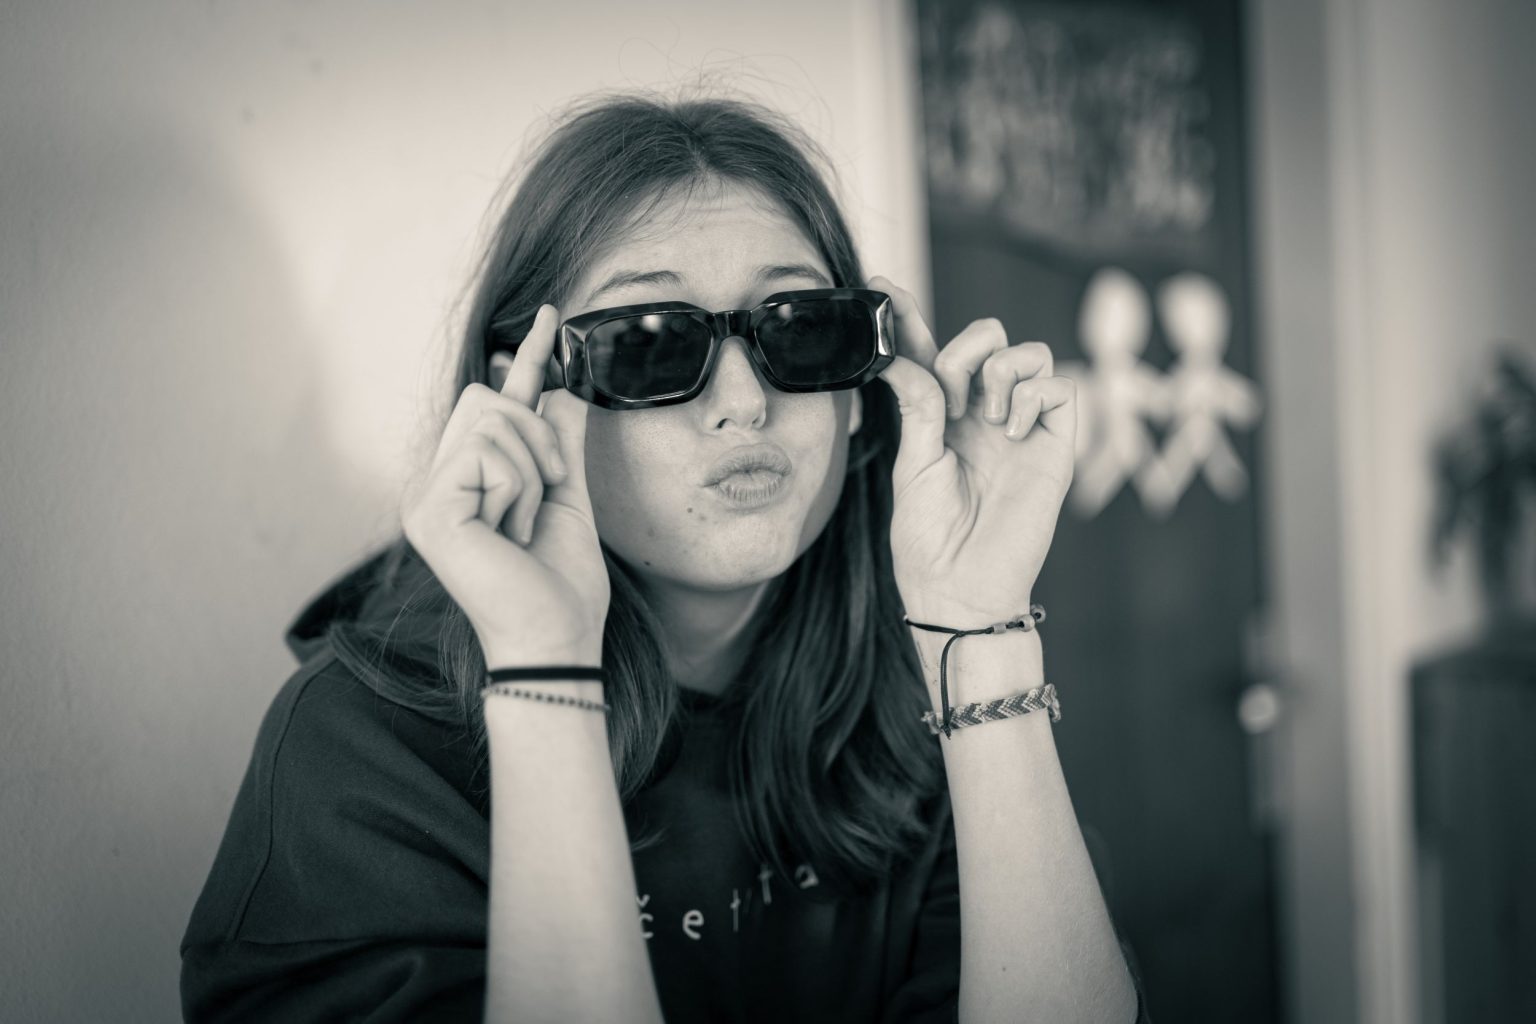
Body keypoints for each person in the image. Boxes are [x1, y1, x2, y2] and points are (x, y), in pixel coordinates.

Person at [179, 88, 1151, 1023]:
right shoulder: (362, 751)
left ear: (861, 393)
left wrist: (979, 623)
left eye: (801, 330)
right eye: (650, 345)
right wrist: (544, 662)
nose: (745, 403)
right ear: (525, 399)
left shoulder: (914, 699)